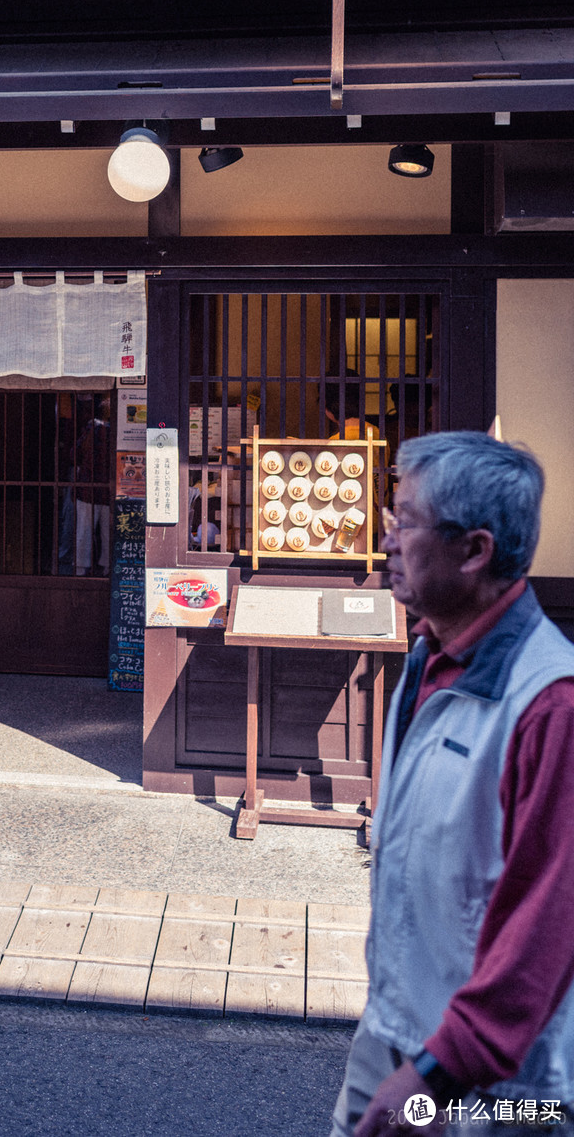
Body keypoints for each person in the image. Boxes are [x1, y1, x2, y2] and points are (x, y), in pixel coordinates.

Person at [330, 431, 574, 1136]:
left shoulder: (550, 704)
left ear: (474, 550)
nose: (386, 537)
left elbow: (545, 923)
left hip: (494, 1085)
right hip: (398, 1033)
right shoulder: (429, 655)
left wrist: (436, 1076)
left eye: (404, 520)